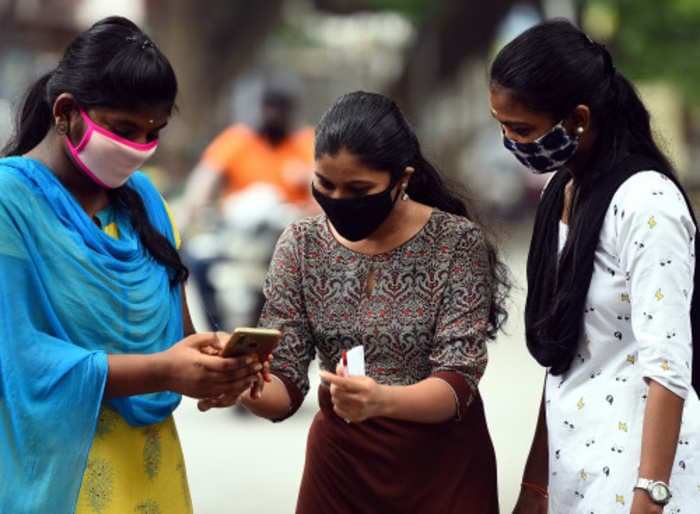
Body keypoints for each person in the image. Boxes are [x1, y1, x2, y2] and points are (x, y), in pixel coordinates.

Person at [0, 17, 266, 513]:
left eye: (154, 132)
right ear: (66, 112)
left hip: (149, 471)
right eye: (124, 128)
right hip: (53, 475)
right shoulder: (9, 201)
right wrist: (165, 370)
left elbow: (176, 334)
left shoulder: (144, 201)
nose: (139, 147)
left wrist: (216, 364)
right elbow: (19, 358)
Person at [199, 91, 511, 513]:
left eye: (359, 188)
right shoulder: (301, 244)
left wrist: (380, 401)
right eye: (325, 185)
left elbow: (458, 381)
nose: (339, 200)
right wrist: (239, 383)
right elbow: (285, 386)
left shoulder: (455, 243)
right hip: (340, 472)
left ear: (401, 180)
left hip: (441, 472)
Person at [489, 20, 700, 514]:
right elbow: (561, 359)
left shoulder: (647, 203)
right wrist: (534, 488)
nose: (509, 141)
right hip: (576, 476)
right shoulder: (562, 192)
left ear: (578, 118)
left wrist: (649, 498)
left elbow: (668, 367)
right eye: (500, 124)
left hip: (641, 484)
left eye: (520, 128)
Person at [176, 78, 317, 329]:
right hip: (237, 236)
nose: (272, 114)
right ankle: (219, 331)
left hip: (287, 238)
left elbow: (325, 190)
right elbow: (205, 179)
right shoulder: (237, 140)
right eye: (268, 107)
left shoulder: (306, 143)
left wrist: (306, 178)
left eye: (279, 108)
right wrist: (189, 214)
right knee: (198, 258)